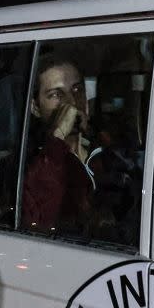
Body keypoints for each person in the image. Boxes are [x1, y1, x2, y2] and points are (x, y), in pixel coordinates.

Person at [22, 55, 98, 232]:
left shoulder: (103, 150)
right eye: (56, 94)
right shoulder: (26, 163)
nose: (71, 103)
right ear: (35, 107)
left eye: (77, 90)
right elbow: (40, 219)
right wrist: (58, 137)